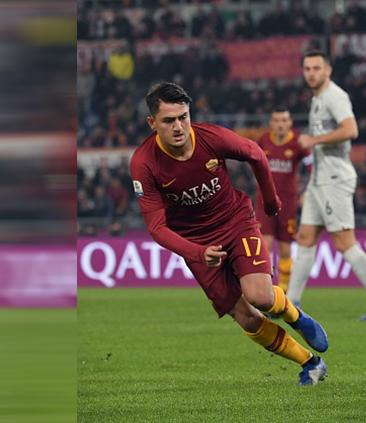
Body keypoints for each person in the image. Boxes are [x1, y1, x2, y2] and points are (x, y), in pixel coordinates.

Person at [130, 82, 328, 386]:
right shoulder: (144, 163)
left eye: (183, 116)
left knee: (260, 296)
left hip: (236, 222)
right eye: (169, 120)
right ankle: (310, 363)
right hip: (197, 245)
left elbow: (256, 154)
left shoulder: (211, 137)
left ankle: (296, 316)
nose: (179, 126)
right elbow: (156, 227)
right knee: (247, 319)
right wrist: (197, 253)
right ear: (152, 123)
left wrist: (271, 199)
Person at [285, 50, 366, 320]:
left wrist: (314, 140)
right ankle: (291, 303)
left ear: (328, 71)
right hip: (319, 181)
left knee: (344, 241)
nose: (311, 73)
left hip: (335, 180)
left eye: (316, 68)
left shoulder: (335, 96)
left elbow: (351, 130)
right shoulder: (317, 100)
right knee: (305, 238)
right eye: (307, 68)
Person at [254, 107, 310, 293]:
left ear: (290, 123)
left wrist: (308, 190)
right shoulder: (263, 140)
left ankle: (284, 291)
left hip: (288, 202)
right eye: (276, 120)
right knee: (265, 246)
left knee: (285, 249)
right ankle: (266, 290)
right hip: (265, 201)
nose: (280, 124)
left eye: (284, 120)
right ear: (271, 123)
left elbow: (312, 166)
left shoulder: (297, 142)